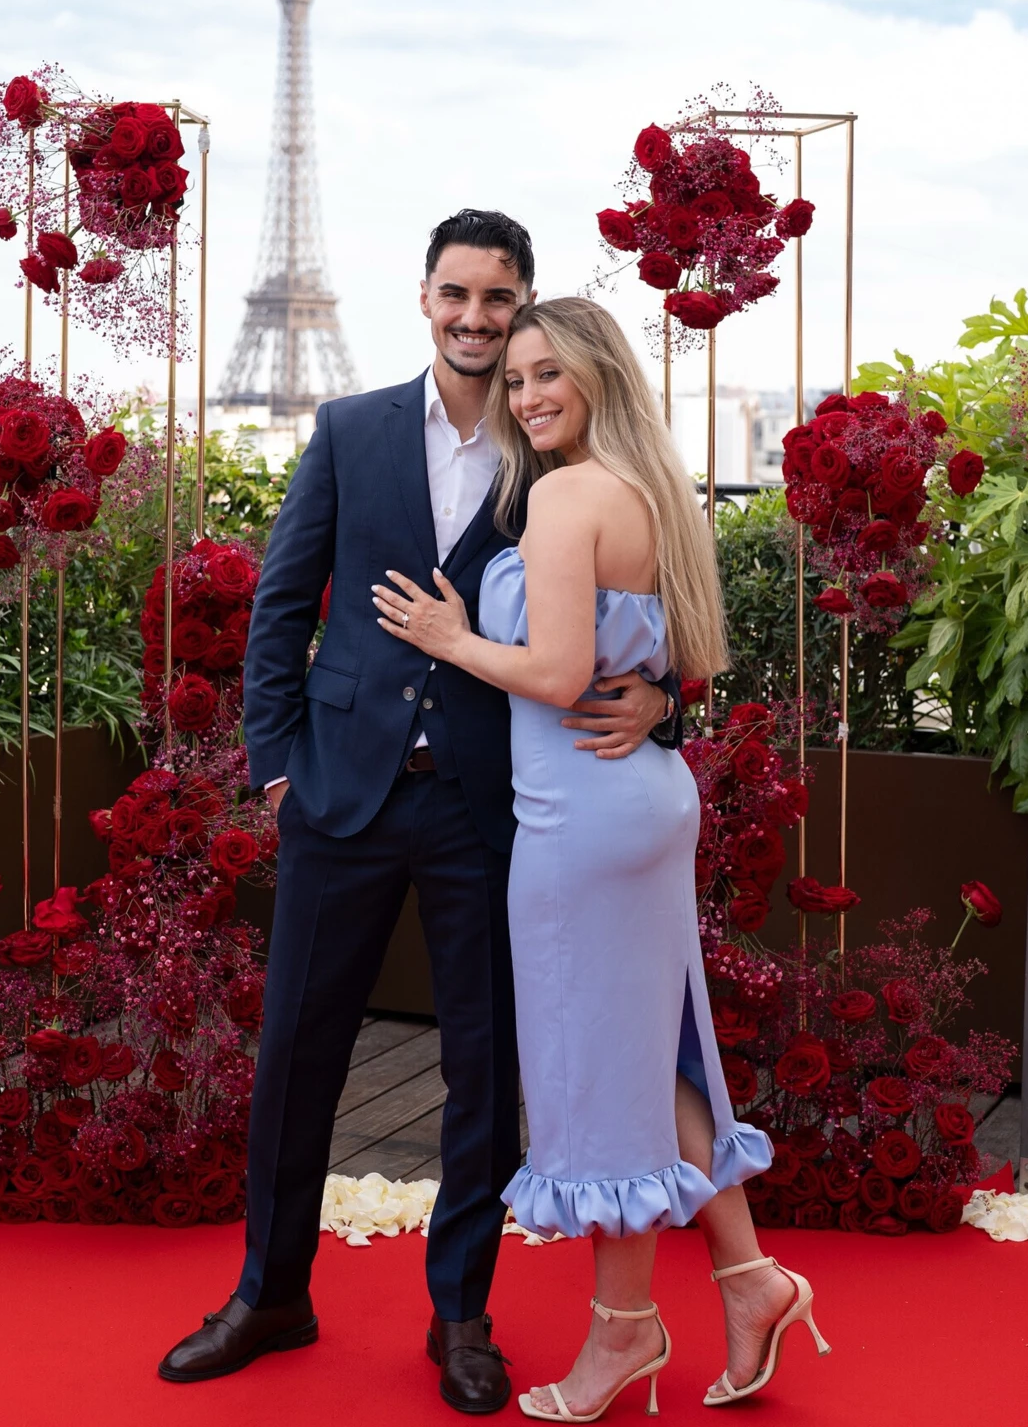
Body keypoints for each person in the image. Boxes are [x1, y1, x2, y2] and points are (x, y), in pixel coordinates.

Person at [157, 214, 681, 1414]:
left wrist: (661, 696)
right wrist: (275, 767)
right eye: (458, 293)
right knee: (298, 1055)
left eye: (501, 299)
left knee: (483, 1072)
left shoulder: (555, 450)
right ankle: (270, 1293)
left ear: (526, 305)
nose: (478, 319)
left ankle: (461, 1318)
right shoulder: (349, 430)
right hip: (338, 795)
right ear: (426, 296)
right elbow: (281, 607)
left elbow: (640, 592)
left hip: (493, 811)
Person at [374, 296, 831, 1419]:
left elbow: (561, 671)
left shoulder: (570, 494)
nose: (528, 395)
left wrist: (450, 640)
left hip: (582, 822)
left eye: (547, 375)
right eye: (517, 378)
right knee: (646, 1058)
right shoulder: (647, 491)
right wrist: (660, 696)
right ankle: (750, 1279)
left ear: (594, 379)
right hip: (634, 803)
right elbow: (670, 662)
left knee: (593, 1074)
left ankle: (623, 1334)